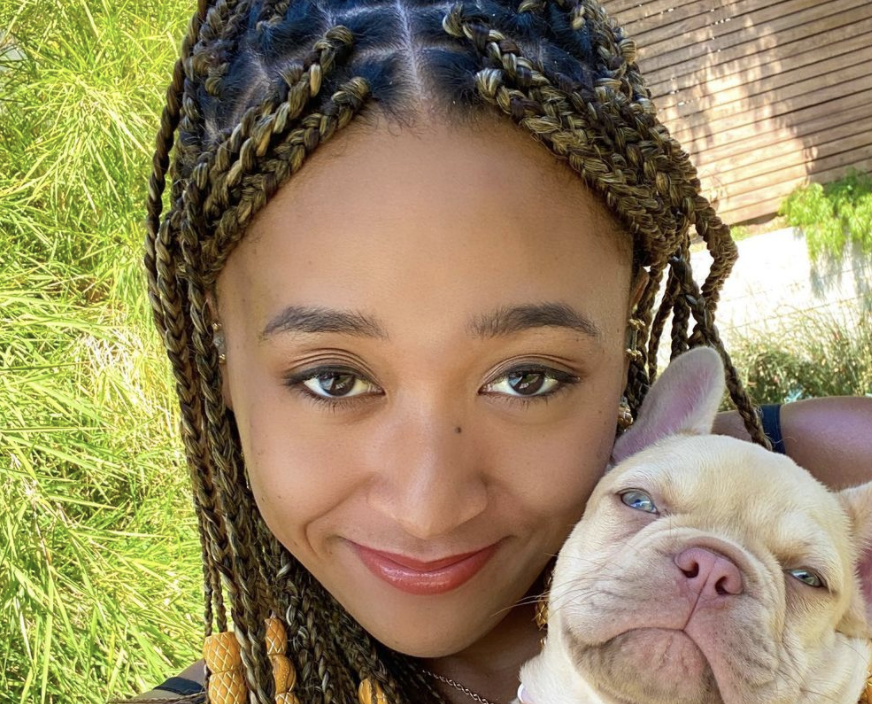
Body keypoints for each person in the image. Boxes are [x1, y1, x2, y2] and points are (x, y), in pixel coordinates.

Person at [130, 1, 872, 702]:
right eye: (332, 379)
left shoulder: (845, 492)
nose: (428, 509)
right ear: (216, 349)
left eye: (526, 377)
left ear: (629, 322)